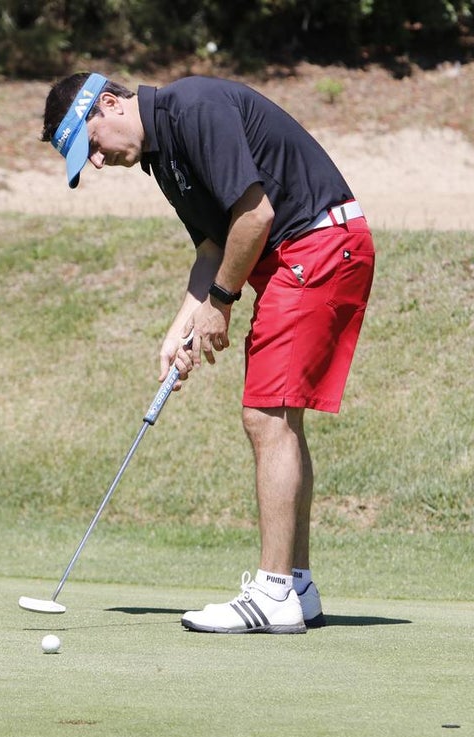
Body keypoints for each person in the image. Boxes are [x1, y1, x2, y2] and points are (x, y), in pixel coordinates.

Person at [41, 73, 375, 634]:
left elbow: (255, 215)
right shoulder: (161, 155)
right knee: (280, 416)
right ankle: (297, 585)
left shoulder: (191, 107)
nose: (96, 162)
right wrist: (179, 329)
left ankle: (272, 593)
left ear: (109, 104)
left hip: (316, 244)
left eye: (91, 145)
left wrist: (219, 304)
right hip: (308, 251)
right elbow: (215, 246)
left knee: (265, 414)